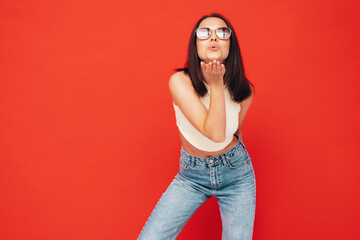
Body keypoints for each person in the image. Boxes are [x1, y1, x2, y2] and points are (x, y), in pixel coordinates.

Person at [138, 13, 255, 240]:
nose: (213, 37)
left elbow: (230, 134)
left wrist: (218, 83)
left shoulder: (244, 91)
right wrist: (216, 83)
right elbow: (212, 132)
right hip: (192, 175)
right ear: (195, 44)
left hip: (236, 173)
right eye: (204, 33)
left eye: (222, 33)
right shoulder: (180, 82)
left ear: (231, 44)